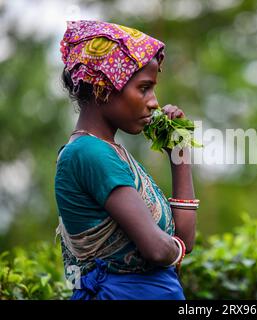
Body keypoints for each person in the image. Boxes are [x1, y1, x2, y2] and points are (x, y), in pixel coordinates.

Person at [54, 20, 197, 300]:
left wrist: (179, 155)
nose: (154, 101)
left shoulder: (112, 153)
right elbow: (156, 250)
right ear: (103, 88)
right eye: (144, 88)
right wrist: (171, 247)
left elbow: (184, 240)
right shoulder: (88, 153)